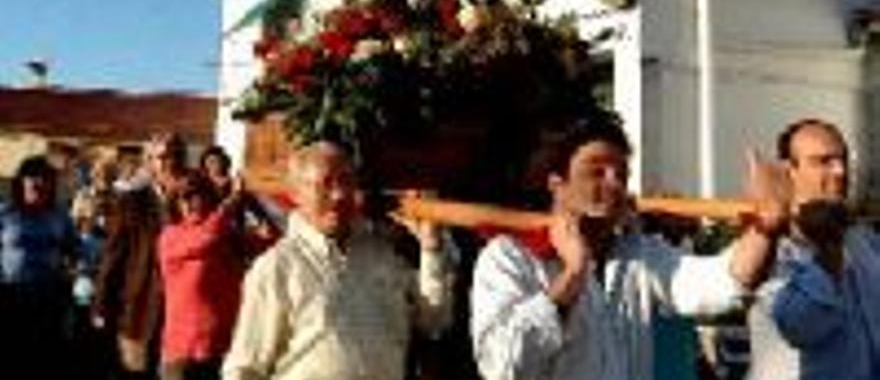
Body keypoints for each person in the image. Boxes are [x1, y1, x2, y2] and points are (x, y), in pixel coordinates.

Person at [470, 113, 791, 380]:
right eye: (596, 171)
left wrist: (767, 229)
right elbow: (502, 367)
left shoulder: (639, 253)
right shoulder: (508, 256)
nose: (614, 184)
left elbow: (721, 283)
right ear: (557, 184)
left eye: (621, 174)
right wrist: (573, 274)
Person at [221, 140, 454, 380]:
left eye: (346, 181)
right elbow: (245, 368)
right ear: (296, 194)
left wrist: (431, 248)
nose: (339, 194)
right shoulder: (277, 267)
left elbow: (435, 320)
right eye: (325, 184)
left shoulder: (382, 254)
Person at [746, 118, 880, 380]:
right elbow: (801, 326)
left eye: (842, 160)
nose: (840, 171)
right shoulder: (768, 248)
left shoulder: (862, 240)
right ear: (789, 172)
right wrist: (829, 252)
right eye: (823, 161)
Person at [93, 132, 190, 380]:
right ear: (149, 162)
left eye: (177, 155)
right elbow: (113, 256)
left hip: (182, 315)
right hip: (139, 307)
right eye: (161, 157)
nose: (170, 162)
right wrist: (102, 303)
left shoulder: (197, 202)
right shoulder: (131, 202)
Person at [157, 170, 253, 380]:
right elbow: (206, 237)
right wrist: (231, 203)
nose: (192, 201)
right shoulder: (171, 236)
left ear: (209, 197)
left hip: (224, 349)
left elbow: (266, 244)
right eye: (184, 196)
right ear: (174, 203)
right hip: (183, 355)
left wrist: (257, 206)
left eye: (198, 194)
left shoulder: (227, 233)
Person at [0, 155, 79, 376]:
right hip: (10, 298)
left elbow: (75, 249)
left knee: (44, 360)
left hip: (48, 300)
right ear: (20, 181)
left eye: (44, 178)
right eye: (31, 177)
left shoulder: (60, 215)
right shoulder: (5, 213)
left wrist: (73, 272)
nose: (37, 183)